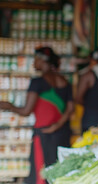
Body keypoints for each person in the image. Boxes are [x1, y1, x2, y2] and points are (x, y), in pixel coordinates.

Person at [0, 47, 73, 184]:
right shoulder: (65, 81)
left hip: (44, 135)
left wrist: (8, 106)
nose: (33, 62)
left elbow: (26, 111)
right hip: (62, 133)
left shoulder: (38, 82)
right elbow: (70, 109)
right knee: (61, 172)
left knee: (42, 174)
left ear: (42, 60)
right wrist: (57, 125)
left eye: (35, 59)